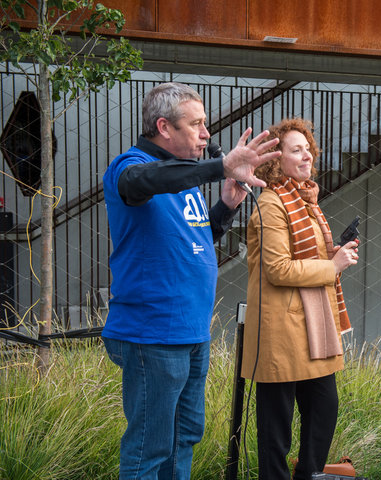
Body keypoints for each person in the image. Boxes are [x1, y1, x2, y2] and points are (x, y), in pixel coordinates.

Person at [102, 81, 281, 480]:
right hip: (153, 335)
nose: (206, 134)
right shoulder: (129, 167)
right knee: (150, 447)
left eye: (206, 124)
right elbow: (144, 183)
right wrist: (219, 167)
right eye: (197, 124)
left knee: (184, 438)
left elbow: (194, 240)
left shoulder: (184, 182)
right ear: (164, 127)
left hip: (191, 333)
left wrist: (227, 205)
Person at [240, 118, 359, 480]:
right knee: (276, 428)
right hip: (282, 331)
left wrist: (331, 254)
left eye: (308, 148)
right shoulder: (273, 203)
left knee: (324, 407)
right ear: (276, 159)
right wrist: (332, 265)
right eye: (297, 150)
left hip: (312, 326)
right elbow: (278, 268)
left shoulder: (305, 198)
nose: (307, 154)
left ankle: (308, 475)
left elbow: (306, 256)